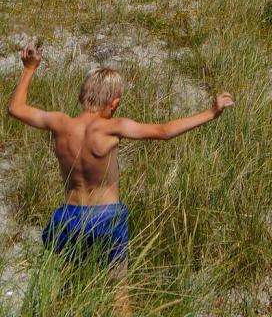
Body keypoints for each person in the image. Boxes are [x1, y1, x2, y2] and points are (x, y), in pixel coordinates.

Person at [7, 41, 234, 311]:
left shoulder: (59, 123)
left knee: (66, 288)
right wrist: (211, 112)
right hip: (106, 217)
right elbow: (164, 131)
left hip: (69, 216)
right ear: (114, 103)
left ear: (81, 98)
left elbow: (16, 109)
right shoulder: (113, 127)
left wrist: (30, 69)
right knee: (118, 293)